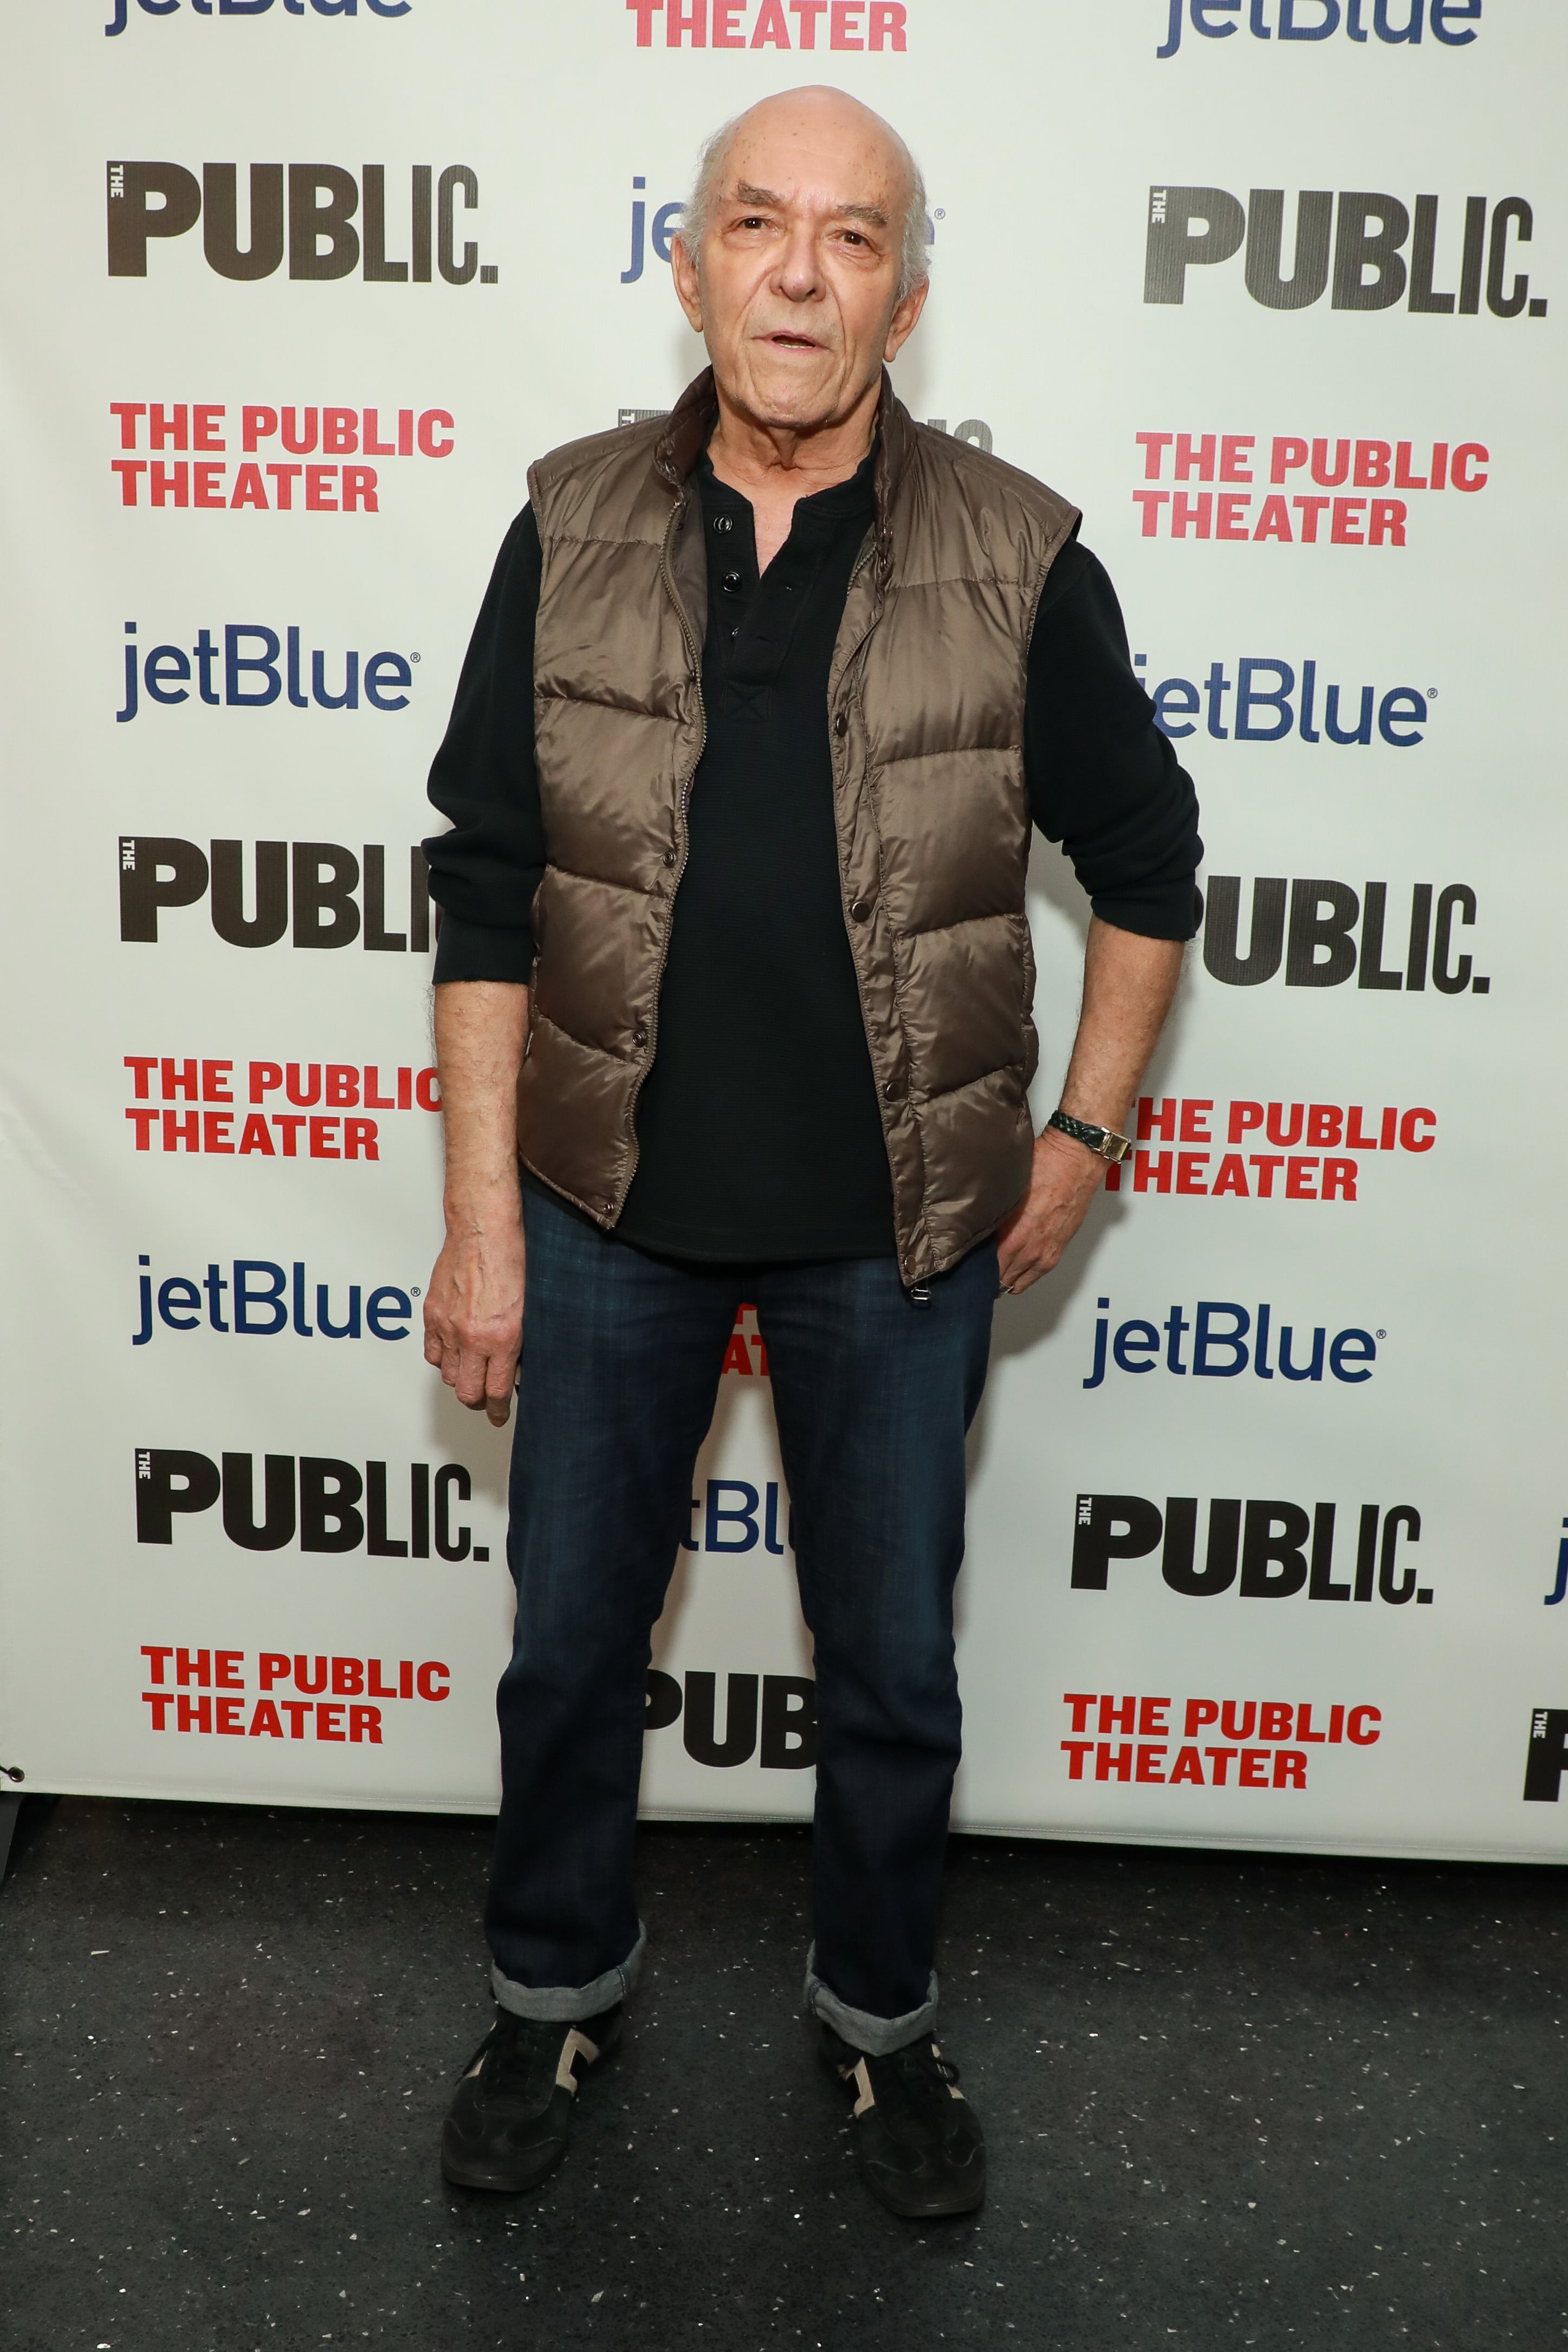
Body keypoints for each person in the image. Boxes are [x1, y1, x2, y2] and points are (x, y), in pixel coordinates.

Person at [420, 84, 1200, 2220]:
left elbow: (1149, 868)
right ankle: (554, 1981)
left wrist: (1083, 1140)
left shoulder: (1016, 552)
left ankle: (877, 2030)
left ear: (908, 295)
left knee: (893, 1667)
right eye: (755, 225)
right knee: (573, 1639)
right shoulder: (567, 522)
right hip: (596, 1212)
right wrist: (482, 1224)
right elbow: (485, 890)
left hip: (907, 1231)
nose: (796, 270)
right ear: (684, 268)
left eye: (850, 238)